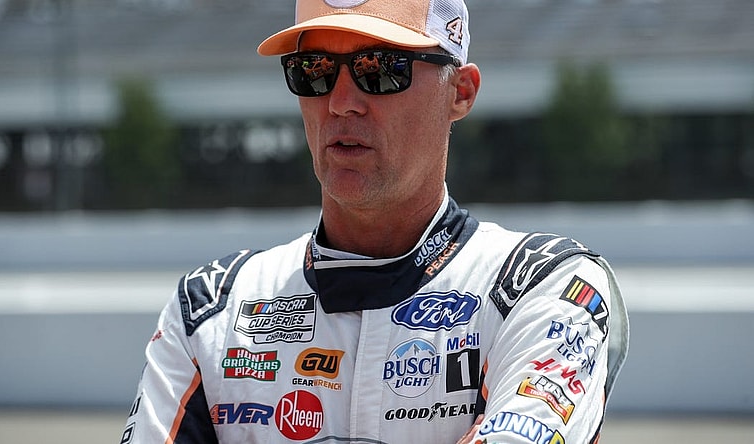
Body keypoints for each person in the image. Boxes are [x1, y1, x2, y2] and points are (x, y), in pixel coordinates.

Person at [120, 1, 629, 443]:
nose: (341, 103)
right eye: (313, 70)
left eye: (381, 68)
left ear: (461, 92)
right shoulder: (210, 310)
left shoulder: (546, 287)